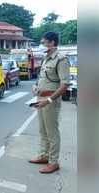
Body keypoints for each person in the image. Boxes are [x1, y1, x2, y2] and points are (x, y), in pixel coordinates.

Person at [29, 32, 70, 173]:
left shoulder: (61, 59)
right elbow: (41, 77)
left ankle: (53, 162)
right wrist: (35, 86)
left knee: (52, 132)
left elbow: (64, 85)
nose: (41, 45)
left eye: (43, 42)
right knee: (43, 130)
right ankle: (44, 156)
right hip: (40, 99)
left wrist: (49, 100)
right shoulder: (46, 58)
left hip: (50, 101)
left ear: (52, 43)